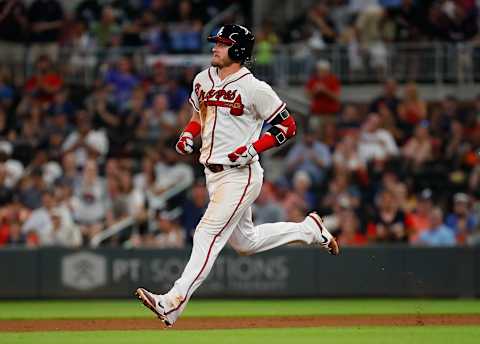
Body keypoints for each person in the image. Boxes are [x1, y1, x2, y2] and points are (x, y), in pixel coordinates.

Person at [135, 24, 339, 327]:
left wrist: (255, 147)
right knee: (246, 243)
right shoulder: (202, 79)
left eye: (222, 43)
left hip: (240, 174)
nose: (215, 47)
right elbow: (196, 118)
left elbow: (287, 126)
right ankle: (310, 230)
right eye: (215, 42)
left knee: (206, 233)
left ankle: (172, 303)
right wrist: (188, 136)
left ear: (239, 50)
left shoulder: (254, 88)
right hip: (212, 175)